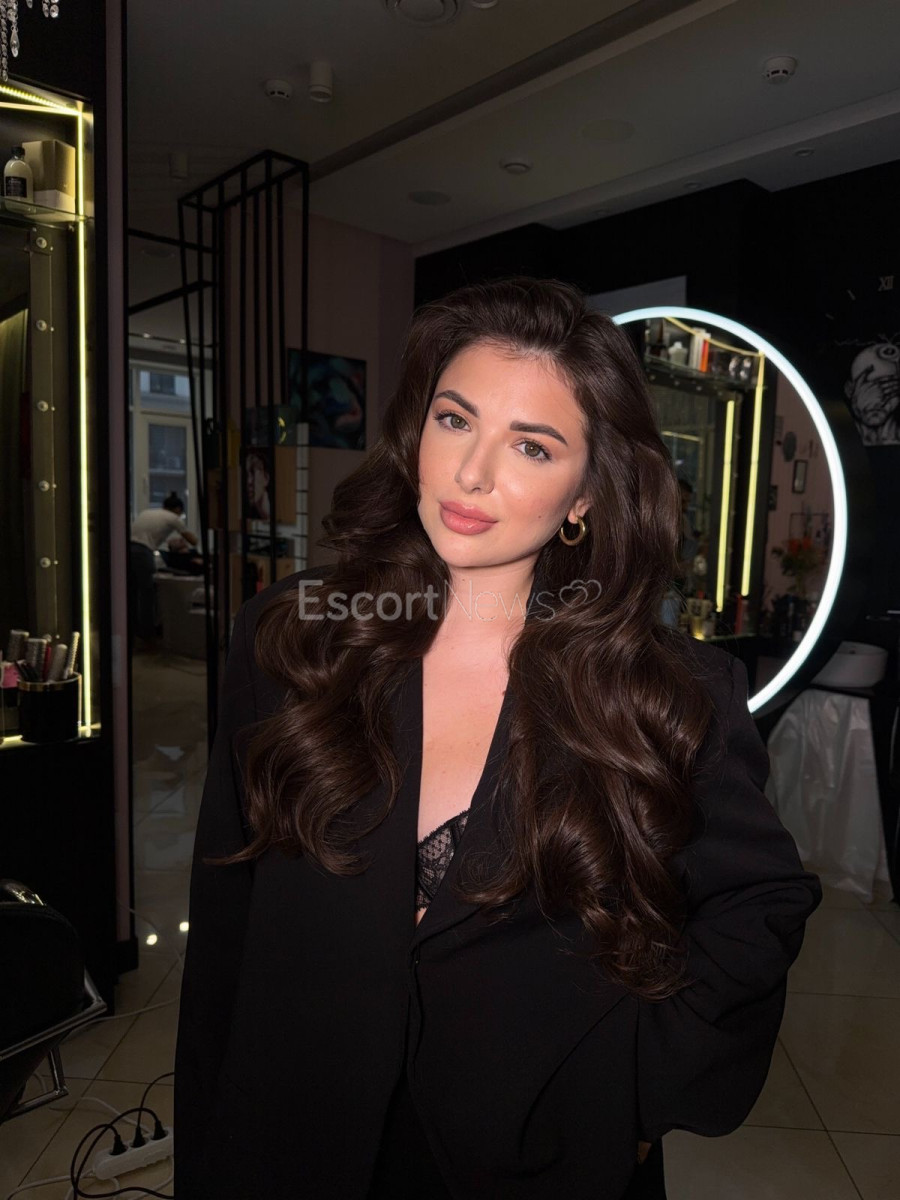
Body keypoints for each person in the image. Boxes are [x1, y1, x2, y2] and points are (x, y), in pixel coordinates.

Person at [174, 278, 821, 1200]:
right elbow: (226, 920)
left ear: (586, 493)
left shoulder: (668, 690)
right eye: (454, 420)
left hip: (529, 1158)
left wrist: (637, 1092)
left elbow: (760, 903)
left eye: (531, 445)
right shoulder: (294, 637)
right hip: (295, 1130)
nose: (472, 474)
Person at [129, 492, 198, 647]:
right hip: (143, 553)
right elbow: (193, 541)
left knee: (132, 594)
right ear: (178, 509)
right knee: (147, 595)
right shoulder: (173, 518)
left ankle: (133, 633)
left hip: (127, 550)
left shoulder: (147, 512)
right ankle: (148, 636)